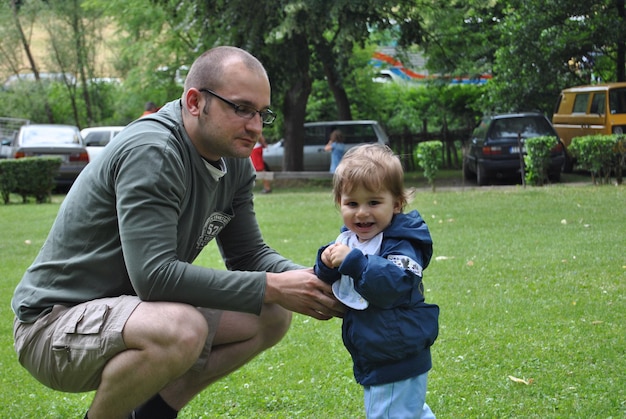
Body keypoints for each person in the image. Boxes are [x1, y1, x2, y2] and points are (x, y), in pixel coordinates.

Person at [11, 46, 343, 419]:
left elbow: (248, 256)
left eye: (261, 114)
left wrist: (315, 279)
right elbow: (154, 277)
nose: (255, 126)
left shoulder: (234, 163)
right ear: (195, 101)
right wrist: (274, 285)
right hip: (53, 324)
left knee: (271, 314)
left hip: (135, 312)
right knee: (182, 328)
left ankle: (154, 412)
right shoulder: (153, 151)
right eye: (241, 108)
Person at [314, 144, 439, 419]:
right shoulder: (350, 241)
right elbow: (333, 274)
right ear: (339, 203)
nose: (361, 213)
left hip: (396, 352)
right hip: (378, 350)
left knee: (391, 412)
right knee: (410, 411)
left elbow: (395, 282)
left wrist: (354, 261)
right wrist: (325, 263)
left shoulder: (405, 242)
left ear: (396, 203)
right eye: (352, 203)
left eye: (373, 202)